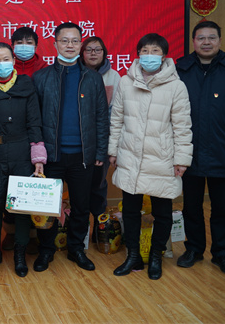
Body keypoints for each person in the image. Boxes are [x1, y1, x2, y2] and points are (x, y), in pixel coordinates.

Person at [175, 21, 225, 276]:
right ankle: (194, 249)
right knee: (191, 206)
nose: (206, 42)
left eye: (212, 37)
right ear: (193, 41)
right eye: (201, 38)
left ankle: (221, 253)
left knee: (222, 207)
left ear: (220, 41)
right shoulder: (180, 70)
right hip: (189, 152)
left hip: (223, 150)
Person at [108, 33, 193, 280]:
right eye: (145, 51)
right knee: (131, 211)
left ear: (164, 55)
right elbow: (117, 119)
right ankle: (133, 255)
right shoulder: (126, 82)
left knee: (163, 212)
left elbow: (182, 126)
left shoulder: (176, 86)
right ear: (138, 54)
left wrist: (182, 159)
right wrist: (113, 150)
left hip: (162, 158)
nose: (149, 55)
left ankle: (156, 255)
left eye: (155, 51)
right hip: (130, 156)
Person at [32, 22, 109, 273]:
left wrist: (100, 151)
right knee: (47, 207)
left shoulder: (93, 78)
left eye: (75, 41)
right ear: (55, 43)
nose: (70, 45)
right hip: (51, 156)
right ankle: (46, 250)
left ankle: (76, 248)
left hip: (83, 155)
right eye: (64, 41)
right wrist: (37, 154)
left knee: (81, 206)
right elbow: (33, 120)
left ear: (81, 45)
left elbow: (101, 117)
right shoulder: (41, 77)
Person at [0, 42, 46, 277]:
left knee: (20, 206)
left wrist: (38, 158)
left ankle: (20, 253)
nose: (1, 64)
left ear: (13, 61)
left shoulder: (26, 86)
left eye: (6, 59)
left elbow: (34, 123)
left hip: (20, 152)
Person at [5, 26, 47, 253]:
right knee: (9, 187)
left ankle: (32, 235)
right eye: (19, 42)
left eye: (28, 42)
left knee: (33, 186)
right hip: (9, 137)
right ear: (12, 46)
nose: (24, 46)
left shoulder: (44, 71)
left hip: (36, 135)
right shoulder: (4, 69)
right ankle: (11, 233)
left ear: (36, 46)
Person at [79, 36, 121, 239]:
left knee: (98, 186)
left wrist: (109, 145)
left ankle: (99, 229)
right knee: (78, 186)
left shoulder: (114, 77)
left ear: (104, 53)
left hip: (101, 142)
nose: (93, 53)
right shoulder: (75, 73)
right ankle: (79, 231)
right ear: (82, 53)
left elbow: (116, 113)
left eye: (98, 49)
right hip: (78, 142)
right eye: (89, 49)